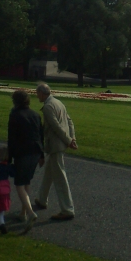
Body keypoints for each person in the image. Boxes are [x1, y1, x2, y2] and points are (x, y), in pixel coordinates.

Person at [35, 83, 77, 221]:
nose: (37, 96)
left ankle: (67, 209)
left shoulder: (48, 107)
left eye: (37, 93)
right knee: (49, 172)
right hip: (60, 144)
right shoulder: (58, 102)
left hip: (55, 145)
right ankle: (42, 199)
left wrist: (69, 140)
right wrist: (72, 138)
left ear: (42, 93)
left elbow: (56, 127)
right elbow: (69, 121)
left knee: (60, 178)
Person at [8, 89, 44, 232]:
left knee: (19, 183)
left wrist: (9, 157)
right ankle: (23, 213)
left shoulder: (15, 115)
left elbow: (11, 138)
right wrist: (42, 155)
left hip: (22, 152)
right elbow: (41, 136)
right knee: (27, 181)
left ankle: (30, 213)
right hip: (35, 150)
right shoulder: (35, 114)